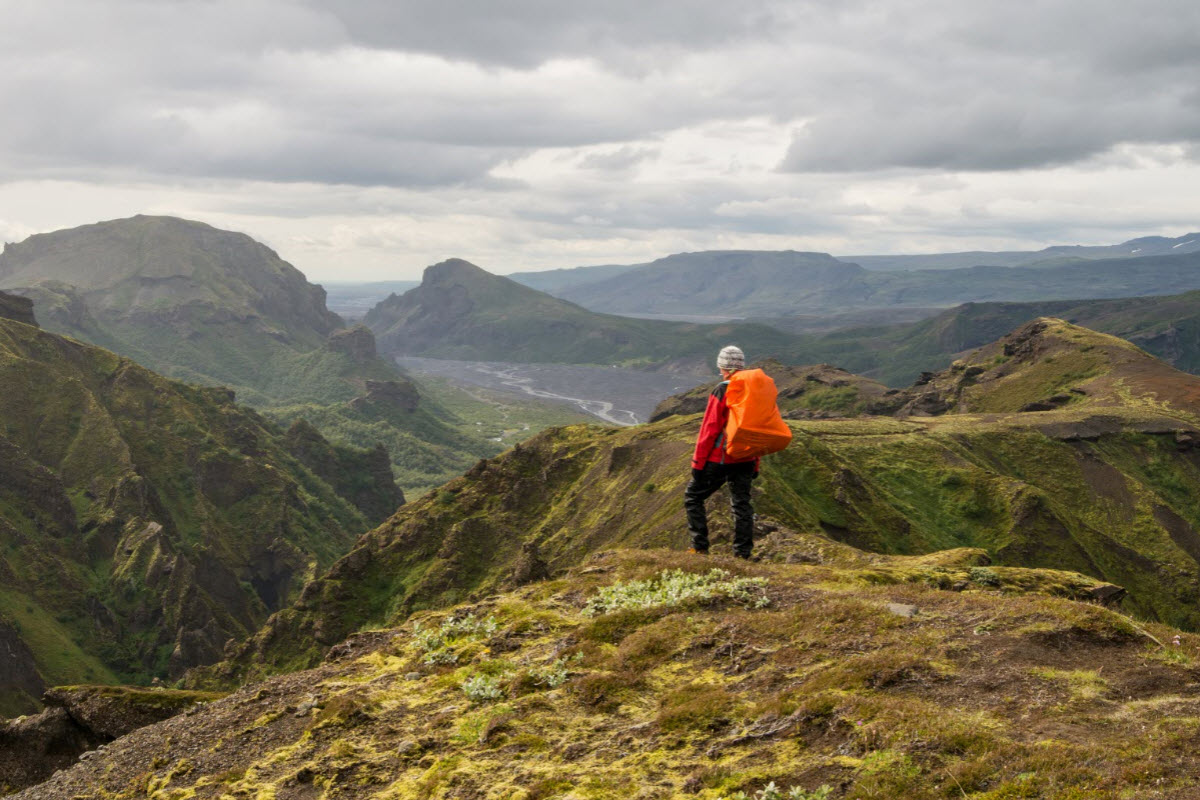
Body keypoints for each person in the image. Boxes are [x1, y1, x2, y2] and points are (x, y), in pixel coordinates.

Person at [685, 345, 759, 559]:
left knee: (692, 497)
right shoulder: (754, 390)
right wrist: (756, 462)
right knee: (741, 504)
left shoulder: (722, 390)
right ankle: (743, 554)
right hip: (747, 457)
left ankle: (699, 547)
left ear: (722, 366)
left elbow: (709, 429)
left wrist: (698, 464)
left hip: (721, 458)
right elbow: (757, 429)